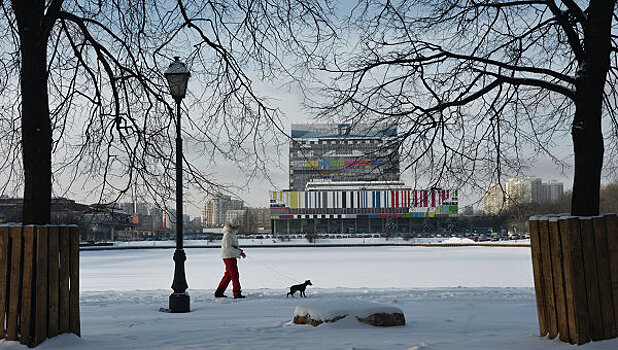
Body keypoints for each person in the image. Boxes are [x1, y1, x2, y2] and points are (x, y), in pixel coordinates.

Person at [214, 219, 246, 299]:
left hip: (231, 256)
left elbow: (232, 246)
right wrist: (238, 252)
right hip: (229, 257)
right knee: (234, 275)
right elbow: (228, 247)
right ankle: (237, 293)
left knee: (228, 275)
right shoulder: (228, 234)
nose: (238, 226)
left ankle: (219, 292)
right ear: (233, 226)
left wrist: (238, 251)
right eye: (237, 225)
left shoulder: (231, 234)